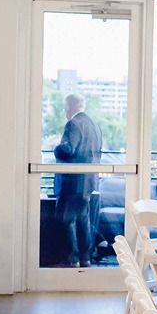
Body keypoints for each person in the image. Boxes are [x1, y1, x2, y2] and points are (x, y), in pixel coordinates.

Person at [53, 92, 102, 267]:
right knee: (82, 219)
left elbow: (67, 150)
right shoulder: (95, 125)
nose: (65, 111)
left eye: (65, 107)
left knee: (66, 219)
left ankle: (72, 259)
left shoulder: (73, 124)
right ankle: (85, 258)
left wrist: (55, 148)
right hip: (89, 182)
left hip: (72, 181)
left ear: (69, 106)